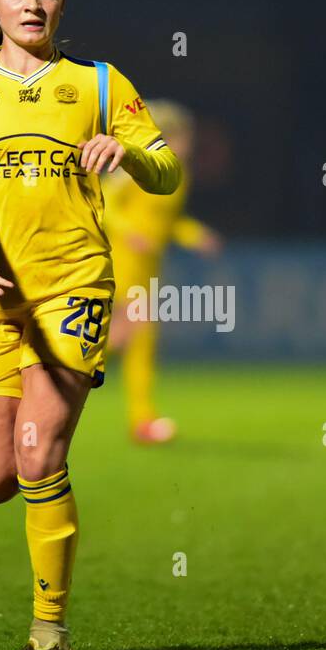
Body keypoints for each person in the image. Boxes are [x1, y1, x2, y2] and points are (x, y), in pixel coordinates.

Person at [0, 0, 182, 650]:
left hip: (73, 287)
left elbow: (167, 170)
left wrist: (130, 153)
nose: (34, 4)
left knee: (37, 453)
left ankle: (48, 628)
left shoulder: (98, 85)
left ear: (62, 3)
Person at [102, 99, 220, 443]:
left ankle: (142, 419)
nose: (189, 144)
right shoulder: (138, 166)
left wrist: (196, 236)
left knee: (137, 341)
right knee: (130, 336)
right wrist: (129, 233)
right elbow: (104, 202)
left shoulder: (179, 175)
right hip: (121, 259)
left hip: (149, 267)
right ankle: (48, 373)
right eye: (183, 137)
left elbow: (167, 223)